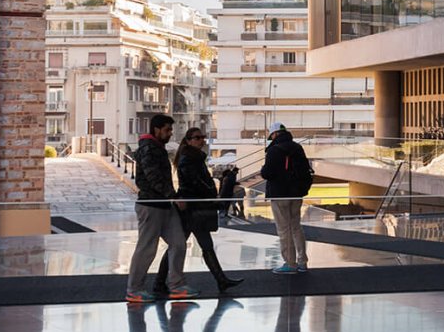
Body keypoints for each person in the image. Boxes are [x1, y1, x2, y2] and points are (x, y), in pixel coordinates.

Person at [154, 128, 243, 294]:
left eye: (203, 137)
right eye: (197, 138)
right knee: (183, 246)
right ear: (188, 140)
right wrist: (210, 192)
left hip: (193, 208)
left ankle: (220, 280)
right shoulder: (189, 159)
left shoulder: (192, 157)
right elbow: (195, 182)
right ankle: (160, 282)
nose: (201, 140)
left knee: (196, 245)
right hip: (192, 208)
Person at [125, 113, 196, 304]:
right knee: (147, 248)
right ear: (156, 129)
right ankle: (134, 290)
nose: (170, 133)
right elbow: (152, 176)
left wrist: (171, 198)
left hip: (164, 205)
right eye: (167, 129)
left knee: (179, 243)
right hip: (151, 205)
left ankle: (177, 286)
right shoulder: (148, 149)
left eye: (171, 130)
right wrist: (173, 196)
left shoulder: (157, 148)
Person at [260, 122, 311, 273]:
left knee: (284, 229)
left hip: (280, 194)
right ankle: (302, 261)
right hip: (296, 194)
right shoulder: (297, 148)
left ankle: (290, 263)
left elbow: (267, 173)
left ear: (274, 135)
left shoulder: (274, 150)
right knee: (296, 227)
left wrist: (263, 169)